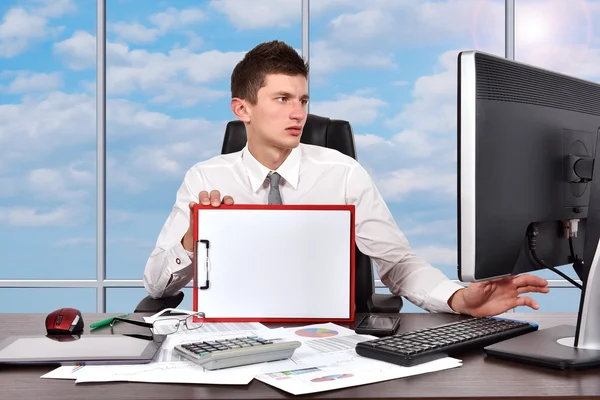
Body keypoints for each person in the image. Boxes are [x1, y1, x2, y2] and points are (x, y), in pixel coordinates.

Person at [143, 40, 549, 317]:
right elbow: (157, 287)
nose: (298, 113)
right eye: (282, 99)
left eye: (303, 100)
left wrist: (459, 298)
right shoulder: (205, 178)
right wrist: (191, 241)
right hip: (227, 339)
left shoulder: (342, 172)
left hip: (325, 339)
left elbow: (399, 264)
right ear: (242, 109)